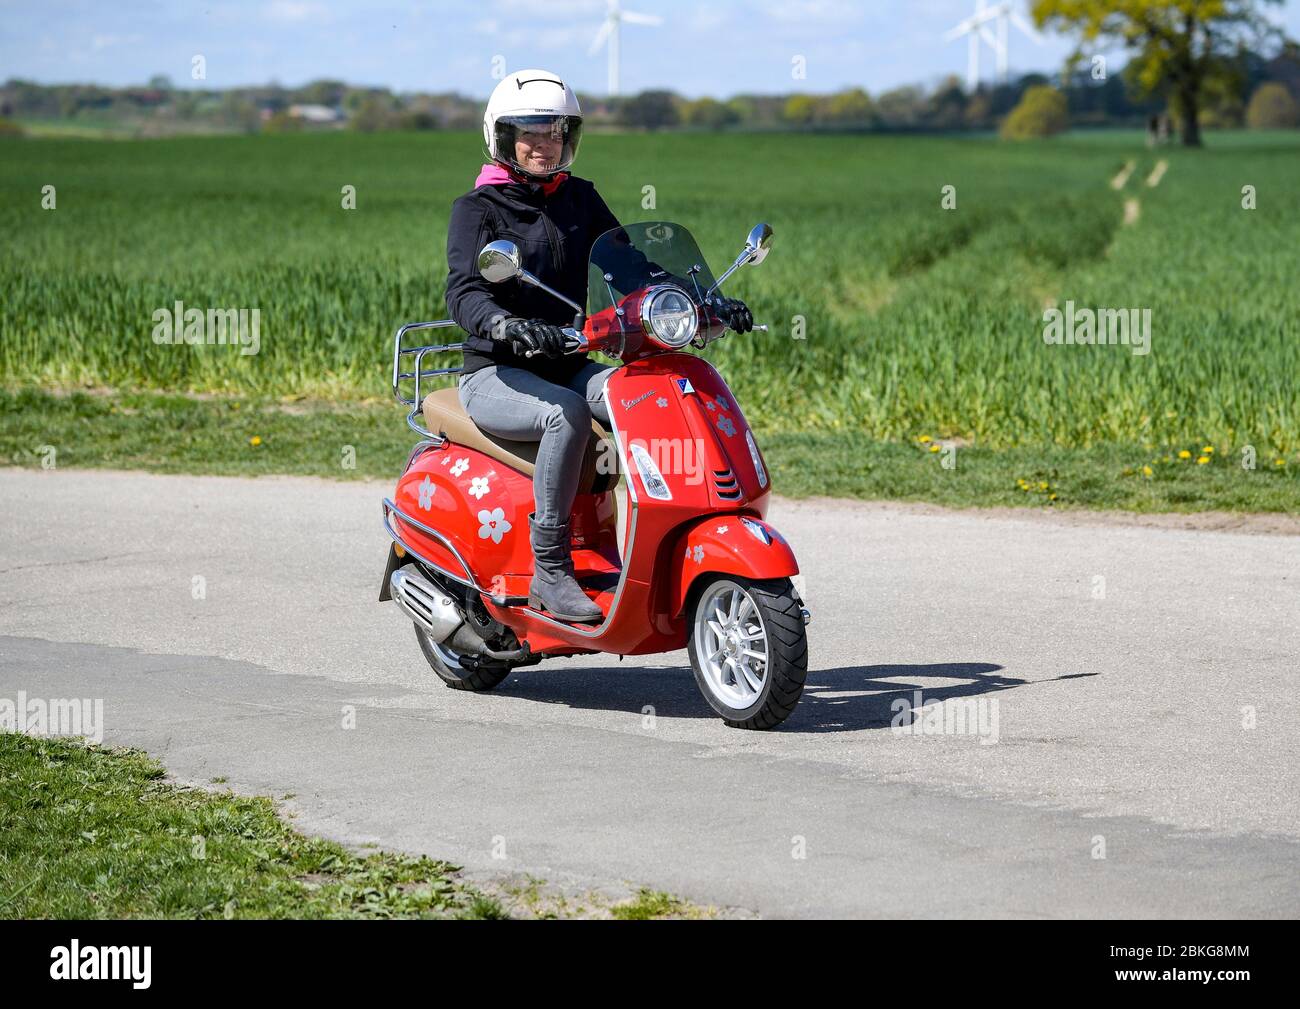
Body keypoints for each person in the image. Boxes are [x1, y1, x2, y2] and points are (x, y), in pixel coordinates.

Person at [444, 68, 752, 623]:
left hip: (569, 359)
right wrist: (504, 325)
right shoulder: (479, 210)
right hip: (495, 372)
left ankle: (667, 537)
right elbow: (464, 291)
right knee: (564, 415)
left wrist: (702, 300)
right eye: (533, 132)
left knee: (646, 393)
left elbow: (632, 267)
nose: (547, 144)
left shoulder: (579, 199)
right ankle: (550, 570)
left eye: (557, 131)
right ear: (503, 137)